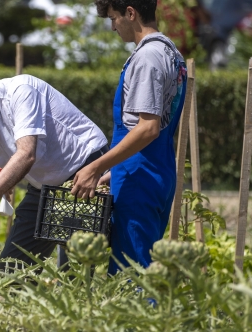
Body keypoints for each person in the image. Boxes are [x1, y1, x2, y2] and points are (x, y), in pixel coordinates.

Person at [0, 58, 108, 268]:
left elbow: (26, 154)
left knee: (75, 273)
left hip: (83, 171)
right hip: (42, 184)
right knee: (12, 271)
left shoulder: (21, 90)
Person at [71, 0, 187, 274]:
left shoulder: (147, 57)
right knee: (145, 264)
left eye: (114, 18)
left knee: (132, 273)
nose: (113, 27)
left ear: (131, 13)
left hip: (139, 180)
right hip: (156, 171)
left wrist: (96, 166)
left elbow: (148, 128)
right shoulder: (171, 53)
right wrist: (115, 171)